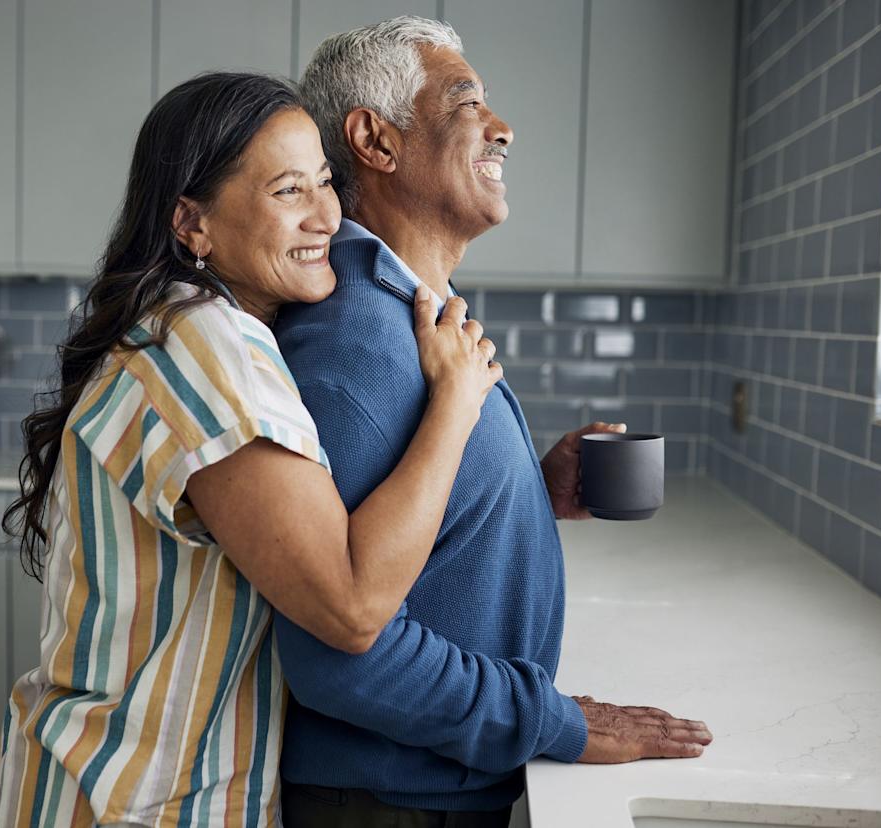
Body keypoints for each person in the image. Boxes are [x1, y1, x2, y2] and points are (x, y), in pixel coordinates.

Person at [0, 71, 502, 828]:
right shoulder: (206, 346)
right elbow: (352, 606)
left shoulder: (188, 325)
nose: (326, 215)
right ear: (192, 224)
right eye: (288, 191)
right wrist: (455, 403)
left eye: (325, 182)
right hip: (132, 801)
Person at [272, 17, 715, 827]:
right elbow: (342, 658)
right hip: (387, 806)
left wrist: (529, 492)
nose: (501, 128)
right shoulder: (353, 344)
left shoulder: (409, 313)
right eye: (465, 101)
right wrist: (554, 721)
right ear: (375, 140)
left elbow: (404, 537)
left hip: (425, 791)